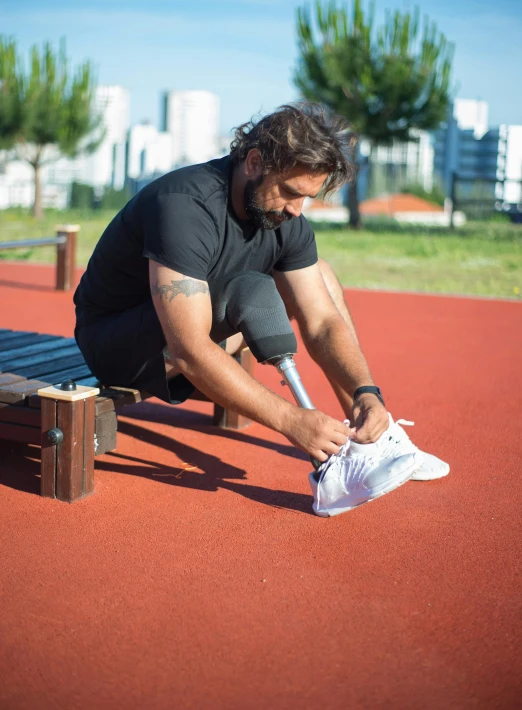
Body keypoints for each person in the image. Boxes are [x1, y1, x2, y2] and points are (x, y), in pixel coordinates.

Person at [74, 104, 448, 516]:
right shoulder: (185, 206)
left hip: (194, 324)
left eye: (307, 197)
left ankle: (371, 439)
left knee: (318, 274)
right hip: (117, 345)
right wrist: (291, 421)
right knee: (247, 291)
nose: (296, 210)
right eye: (290, 192)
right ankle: (331, 471)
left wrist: (367, 391)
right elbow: (189, 349)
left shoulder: (288, 218)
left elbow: (322, 322)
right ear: (254, 162)